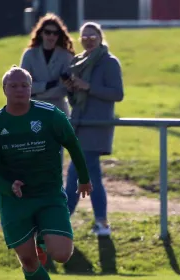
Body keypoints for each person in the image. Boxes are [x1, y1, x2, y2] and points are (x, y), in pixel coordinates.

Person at [0, 66, 92, 280]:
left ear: (31, 89)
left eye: (25, 85)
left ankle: (43, 238)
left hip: (48, 195)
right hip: (15, 200)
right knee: (29, 262)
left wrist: (84, 179)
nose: (20, 89)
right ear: (4, 89)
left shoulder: (50, 116)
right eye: (14, 85)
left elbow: (73, 145)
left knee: (62, 255)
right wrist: (9, 185)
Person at [62, 22, 124, 236]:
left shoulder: (109, 62)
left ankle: (60, 224)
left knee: (74, 178)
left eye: (92, 36)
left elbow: (117, 94)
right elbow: (76, 100)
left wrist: (88, 87)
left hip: (96, 127)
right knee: (92, 178)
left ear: (100, 37)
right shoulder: (78, 62)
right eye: (84, 36)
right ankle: (102, 224)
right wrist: (71, 89)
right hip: (78, 126)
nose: (88, 39)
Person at [20, 13, 75, 116]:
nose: (51, 36)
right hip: (34, 110)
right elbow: (23, 86)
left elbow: (63, 89)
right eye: (48, 32)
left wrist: (37, 91)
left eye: (55, 33)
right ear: (41, 33)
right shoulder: (29, 55)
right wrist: (48, 85)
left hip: (59, 111)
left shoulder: (66, 56)